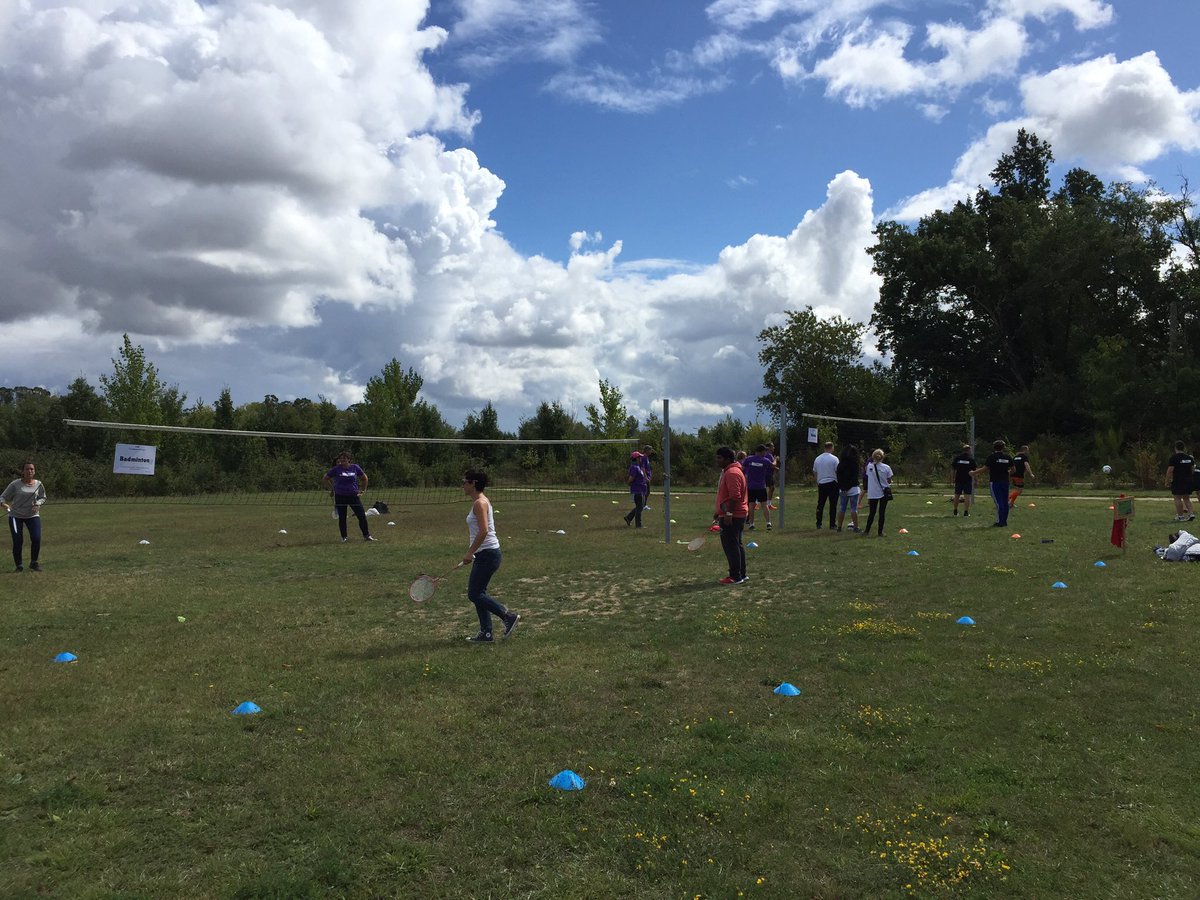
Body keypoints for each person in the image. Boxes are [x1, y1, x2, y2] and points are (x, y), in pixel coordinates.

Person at [461, 469, 519, 642]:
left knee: (474, 594)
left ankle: (508, 616)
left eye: (465, 481)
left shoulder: (480, 503)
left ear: (473, 484)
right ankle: (486, 633)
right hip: (486, 554)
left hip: (488, 554)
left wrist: (470, 552)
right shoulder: (480, 502)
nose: (462, 485)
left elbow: (484, 530)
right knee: (479, 592)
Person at [3, 460, 47, 572]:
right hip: (15, 516)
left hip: (32, 516)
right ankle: (19, 565)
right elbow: (2, 497)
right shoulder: (15, 484)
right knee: (18, 541)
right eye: (27, 469)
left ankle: (34, 563)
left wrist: (38, 504)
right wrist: (3, 504)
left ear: (34, 471)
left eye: (32, 469)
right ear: (22, 471)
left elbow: (43, 497)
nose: (29, 471)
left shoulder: (39, 484)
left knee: (36, 538)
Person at [323, 451, 376, 543]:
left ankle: (367, 536)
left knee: (361, 516)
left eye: (345, 458)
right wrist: (332, 489)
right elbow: (325, 478)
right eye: (341, 458)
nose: (342, 460)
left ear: (349, 459)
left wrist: (363, 490)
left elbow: (364, 478)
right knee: (342, 517)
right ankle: (344, 537)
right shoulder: (336, 469)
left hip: (353, 496)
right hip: (340, 496)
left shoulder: (355, 467)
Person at [714, 446, 748, 584]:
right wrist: (719, 512)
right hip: (733, 514)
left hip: (733, 516)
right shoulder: (730, 471)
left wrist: (728, 513)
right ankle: (741, 573)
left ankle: (735, 576)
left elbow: (735, 496)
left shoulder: (732, 472)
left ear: (728, 459)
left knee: (731, 546)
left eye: (719, 458)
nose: (717, 461)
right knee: (736, 544)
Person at [972, 440, 1014, 528]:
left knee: (998, 502)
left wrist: (973, 472)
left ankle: (1000, 522)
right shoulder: (1008, 457)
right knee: (1005, 502)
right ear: (1003, 447)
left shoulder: (992, 457)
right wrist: (1007, 473)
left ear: (994, 447)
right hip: (1005, 482)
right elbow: (1013, 469)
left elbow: (984, 469)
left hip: (995, 482)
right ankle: (1004, 521)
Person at [742, 444, 773, 531]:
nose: (766, 452)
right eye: (764, 451)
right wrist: (776, 460)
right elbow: (772, 465)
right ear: (761, 451)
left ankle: (751, 524)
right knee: (764, 505)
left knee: (751, 506)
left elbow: (743, 468)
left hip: (751, 486)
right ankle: (768, 523)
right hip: (761, 486)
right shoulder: (765, 460)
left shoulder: (748, 459)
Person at [863, 449, 893, 537]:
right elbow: (889, 480)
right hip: (884, 492)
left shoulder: (869, 466)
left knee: (872, 513)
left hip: (873, 492)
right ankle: (880, 532)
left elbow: (868, 474)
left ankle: (866, 531)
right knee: (882, 512)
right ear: (883, 457)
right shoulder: (887, 467)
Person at [1165, 441, 1196, 522]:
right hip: (1188, 481)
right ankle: (1191, 513)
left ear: (1175, 448)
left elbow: (1170, 471)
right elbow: (1192, 470)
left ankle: (1180, 516)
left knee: (1177, 498)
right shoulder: (1189, 458)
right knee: (1187, 498)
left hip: (1178, 481)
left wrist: (1167, 481)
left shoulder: (1174, 458)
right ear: (1184, 448)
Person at [813, 441, 840, 529]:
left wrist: (818, 481)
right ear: (831, 447)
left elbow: (815, 471)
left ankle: (818, 523)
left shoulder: (817, 459)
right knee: (833, 505)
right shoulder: (835, 459)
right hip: (832, 482)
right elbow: (837, 471)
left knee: (820, 504)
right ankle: (832, 524)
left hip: (822, 483)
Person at [835, 444, 862, 533]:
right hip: (853, 488)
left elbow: (838, 477)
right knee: (854, 508)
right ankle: (855, 527)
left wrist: (843, 487)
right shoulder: (855, 464)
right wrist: (848, 486)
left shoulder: (840, 465)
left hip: (842, 489)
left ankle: (839, 527)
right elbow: (854, 477)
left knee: (842, 507)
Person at [624, 451, 649, 528]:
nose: (640, 458)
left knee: (640, 506)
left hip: (641, 489)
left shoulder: (638, 467)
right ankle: (638, 524)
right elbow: (631, 478)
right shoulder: (634, 467)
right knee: (640, 507)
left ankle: (628, 518)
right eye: (639, 457)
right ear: (636, 458)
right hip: (637, 490)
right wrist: (629, 483)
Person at [951, 444, 976, 517]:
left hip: (958, 479)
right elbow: (974, 471)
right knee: (967, 496)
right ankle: (966, 512)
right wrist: (976, 480)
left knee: (957, 495)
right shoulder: (971, 459)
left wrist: (952, 478)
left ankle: (955, 511)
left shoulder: (958, 458)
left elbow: (953, 469)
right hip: (967, 479)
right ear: (969, 450)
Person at [1008, 445, 1035, 509]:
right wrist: (1031, 474)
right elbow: (1026, 465)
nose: (1028, 451)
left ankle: (1011, 503)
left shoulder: (1015, 457)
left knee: (1016, 489)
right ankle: (1006, 500)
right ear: (1024, 450)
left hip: (1013, 474)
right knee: (1019, 490)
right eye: (1027, 450)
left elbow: (1011, 465)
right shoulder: (1024, 457)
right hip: (1019, 475)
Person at [765, 441, 779, 510]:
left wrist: (776, 468)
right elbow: (772, 465)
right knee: (770, 488)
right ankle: (768, 504)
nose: (773, 447)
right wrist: (776, 459)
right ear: (768, 448)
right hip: (767, 474)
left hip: (768, 474)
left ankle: (768, 504)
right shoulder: (768, 455)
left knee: (771, 488)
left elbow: (769, 465)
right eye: (772, 446)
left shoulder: (767, 455)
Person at [638, 446, 654, 510]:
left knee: (647, 492)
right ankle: (643, 505)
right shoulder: (644, 457)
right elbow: (643, 468)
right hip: (645, 478)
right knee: (646, 492)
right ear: (647, 450)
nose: (651, 451)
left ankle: (643, 505)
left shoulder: (646, 457)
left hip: (647, 477)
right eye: (650, 450)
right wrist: (646, 477)